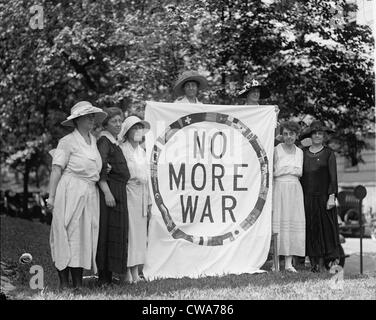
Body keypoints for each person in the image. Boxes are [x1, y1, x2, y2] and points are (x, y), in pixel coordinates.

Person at [46, 101, 106, 290]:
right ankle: (64, 283)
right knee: (66, 233)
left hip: (89, 193)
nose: (92, 119)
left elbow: (93, 166)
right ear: (78, 120)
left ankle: (78, 283)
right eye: (88, 116)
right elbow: (56, 170)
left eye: (93, 116)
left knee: (82, 236)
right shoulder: (67, 141)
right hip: (69, 192)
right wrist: (51, 197)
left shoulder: (93, 140)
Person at [96, 107, 130, 286]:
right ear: (106, 124)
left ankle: (110, 275)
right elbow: (100, 167)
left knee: (116, 231)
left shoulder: (114, 141)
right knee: (107, 232)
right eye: (114, 121)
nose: (118, 124)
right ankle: (103, 277)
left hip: (119, 191)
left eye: (120, 120)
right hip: (110, 192)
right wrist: (107, 192)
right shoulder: (104, 141)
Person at [300, 120, 340, 272]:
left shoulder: (329, 153)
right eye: (315, 133)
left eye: (320, 133)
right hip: (306, 198)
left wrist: (332, 196)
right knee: (311, 229)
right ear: (310, 135)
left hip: (324, 198)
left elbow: (333, 177)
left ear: (324, 136)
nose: (317, 136)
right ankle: (314, 263)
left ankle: (325, 263)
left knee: (325, 230)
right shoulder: (302, 152)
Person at [118, 116, 151, 283]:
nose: (138, 131)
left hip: (142, 196)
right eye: (134, 128)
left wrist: (150, 201)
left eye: (140, 128)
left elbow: (148, 177)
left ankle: (136, 270)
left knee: (139, 234)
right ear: (127, 131)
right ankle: (127, 271)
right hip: (128, 193)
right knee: (129, 233)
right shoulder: (122, 149)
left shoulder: (143, 152)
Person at [272, 121, 305, 272]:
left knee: (292, 222)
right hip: (279, 187)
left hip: (295, 189)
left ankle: (289, 263)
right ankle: (275, 263)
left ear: (296, 135)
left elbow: (299, 172)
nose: (288, 137)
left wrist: (286, 169)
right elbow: (274, 172)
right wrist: (286, 169)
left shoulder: (300, 152)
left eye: (291, 134)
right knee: (278, 222)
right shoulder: (276, 150)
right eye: (285, 134)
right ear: (281, 135)